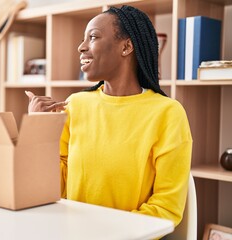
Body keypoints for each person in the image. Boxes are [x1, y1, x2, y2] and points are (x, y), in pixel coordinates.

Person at [25, 5, 192, 227]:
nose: (81, 47)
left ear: (126, 46)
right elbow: (52, 189)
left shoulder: (168, 113)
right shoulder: (74, 104)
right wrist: (38, 131)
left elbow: (166, 208)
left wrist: (109, 232)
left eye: (93, 37)